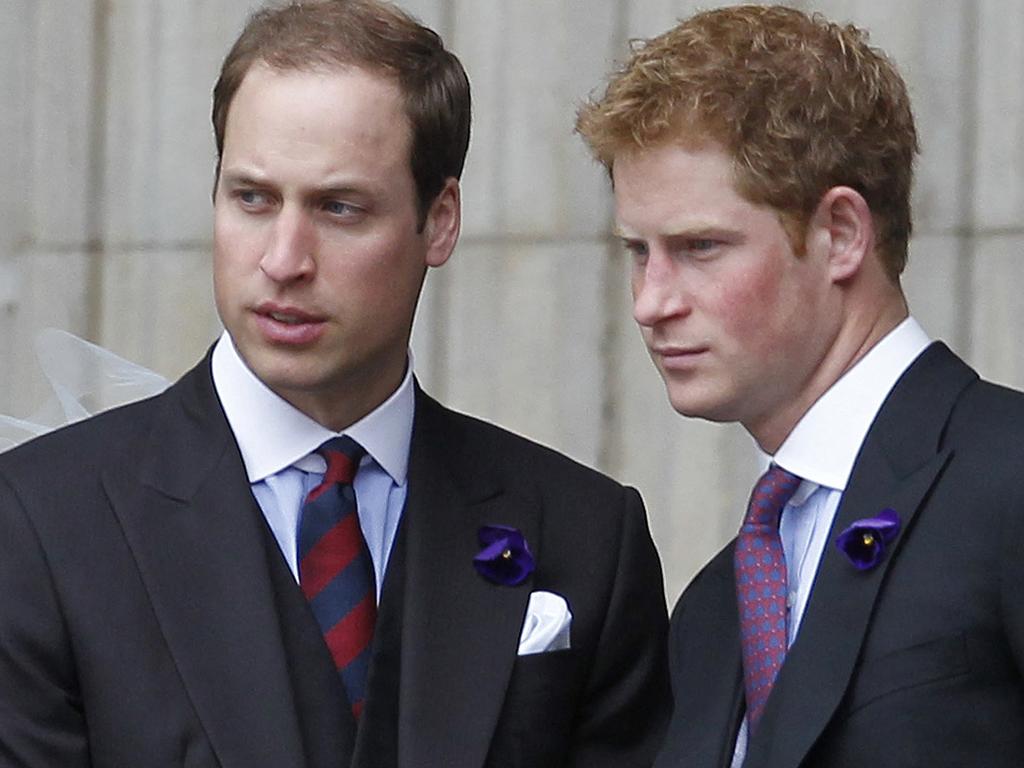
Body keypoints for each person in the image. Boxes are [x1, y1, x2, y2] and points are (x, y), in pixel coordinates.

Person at [0, 2, 671, 766]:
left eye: (339, 208)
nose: (284, 258)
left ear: (440, 220)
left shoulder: (584, 536)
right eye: (252, 198)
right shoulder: (36, 526)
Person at [577, 5, 1024, 767]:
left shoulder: (1007, 479)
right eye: (638, 252)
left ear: (842, 233)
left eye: (699, 247)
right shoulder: (715, 610)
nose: (651, 301)